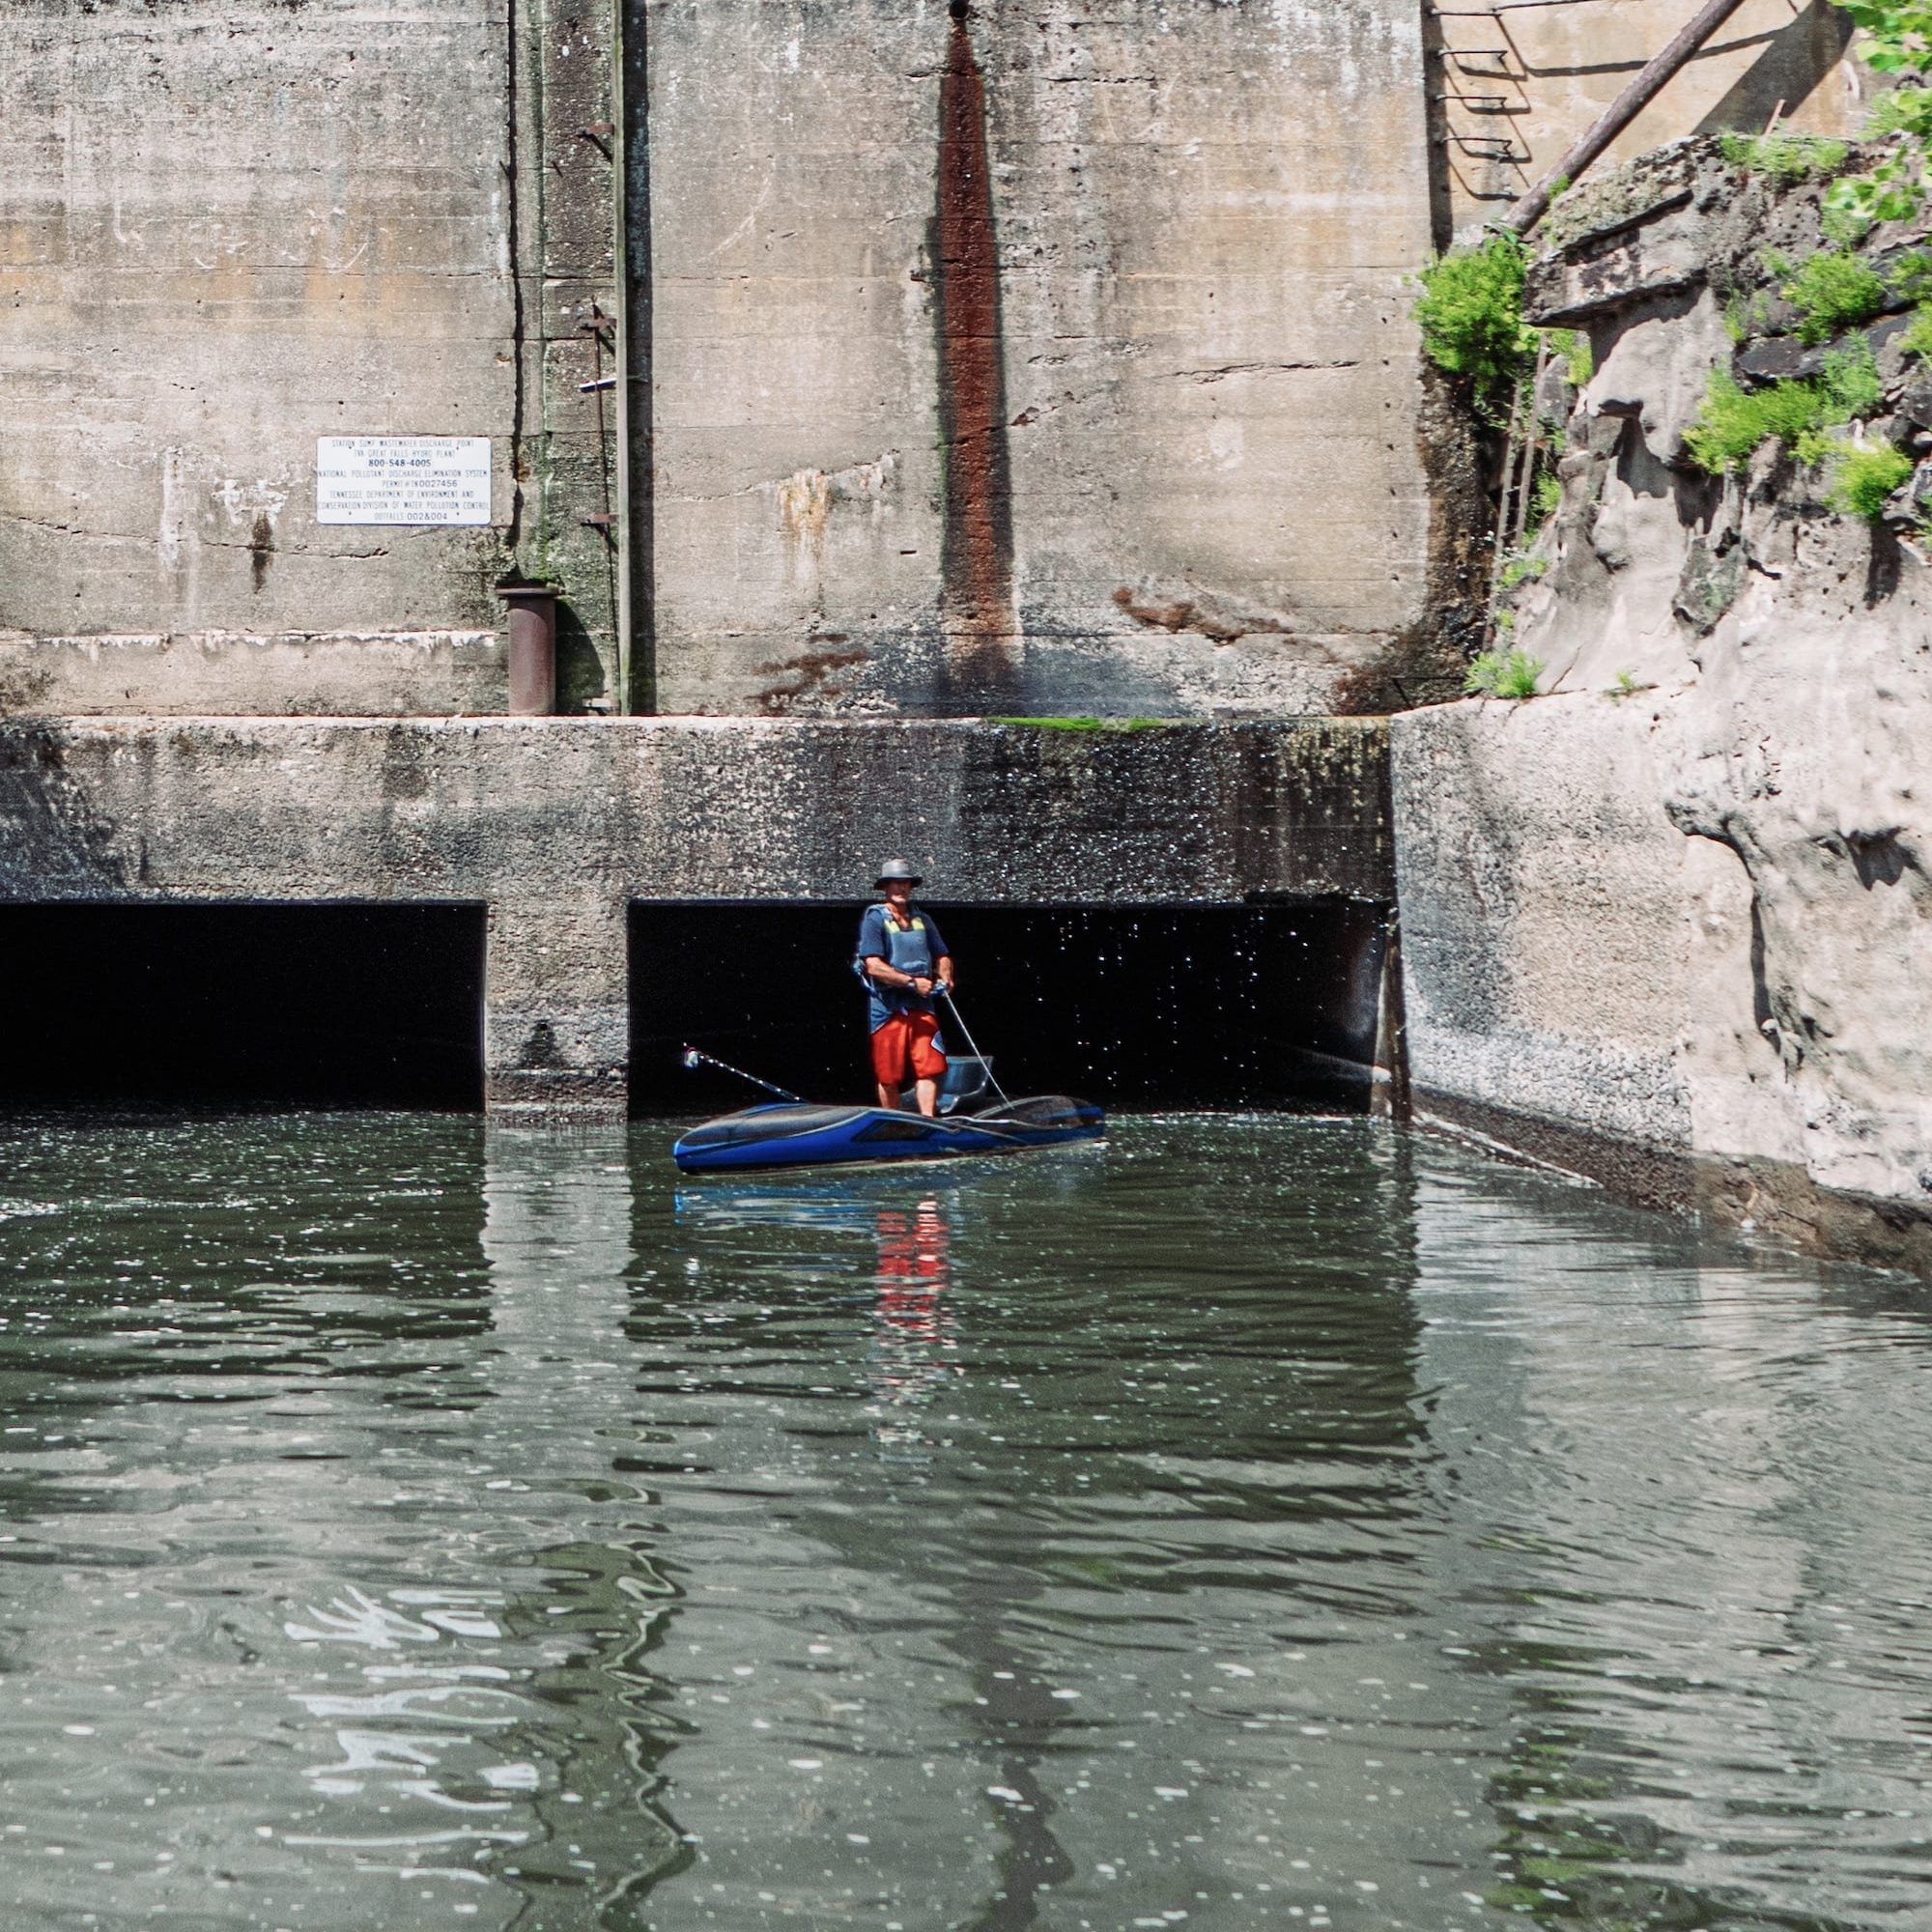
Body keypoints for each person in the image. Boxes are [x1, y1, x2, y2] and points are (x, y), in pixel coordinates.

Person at [857, 859, 956, 1116]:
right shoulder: (875, 918)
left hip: (921, 1004)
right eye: (896, 883)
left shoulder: (922, 918)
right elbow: (874, 966)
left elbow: (942, 954)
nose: (902, 888)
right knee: (888, 1074)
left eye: (906, 883)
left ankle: (929, 1120)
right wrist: (911, 982)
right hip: (888, 1006)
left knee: (929, 1066)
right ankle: (893, 1120)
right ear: (886, 887)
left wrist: (945, 979)